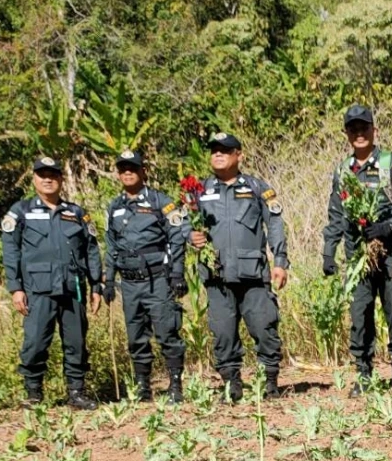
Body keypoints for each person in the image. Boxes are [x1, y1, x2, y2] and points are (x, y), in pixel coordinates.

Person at [322, 104, 392, 396]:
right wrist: (328, 253)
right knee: (360, 314)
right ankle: (363, 373)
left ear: (373, 130)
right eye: (353, 128)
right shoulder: (343, 171)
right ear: (347, 134)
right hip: (358, 257)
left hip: (391, 253)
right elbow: (336, 216)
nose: (359, 133)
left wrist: (388, 226)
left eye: (364, 127)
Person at [188, 133, 289, 401]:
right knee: (223, 332)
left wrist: (280, 262)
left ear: (238, 155)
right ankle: (232, 384)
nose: (218, 154)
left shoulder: (257, 188)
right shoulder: (199, 191)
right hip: (217, 275)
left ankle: (270, 382)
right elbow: (186, 226)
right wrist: (191, 236)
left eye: (225, 150)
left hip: (253, 274)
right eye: (214, 151)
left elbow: (275, 225)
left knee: (264, 327)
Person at [0, 156, 104, 409]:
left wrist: (96, 286)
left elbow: (91, 250)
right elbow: (11, 251)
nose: (48, 179)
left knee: (76, 342)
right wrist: (16, 288)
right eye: (42, 174)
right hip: (39, 289)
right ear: (34, 178)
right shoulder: (21, 211)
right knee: (35, 342)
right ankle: (33, 393)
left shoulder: (76, 213)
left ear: (60, 178)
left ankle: (76, 393)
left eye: (53, 174)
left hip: (73, 288)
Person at [105, 149, 187, 403]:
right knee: (136, 336)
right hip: (129, 283)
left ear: (143, 171)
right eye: (122, 169)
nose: (127, 173)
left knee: (167, 333)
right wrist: (108, 280)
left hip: (157, 280)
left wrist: (177, 274)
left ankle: (175, 385)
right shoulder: (115, 207)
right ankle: (143, 387)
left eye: (132, 168)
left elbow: (177, 238)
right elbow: (111, 245)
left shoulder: (161, 203)